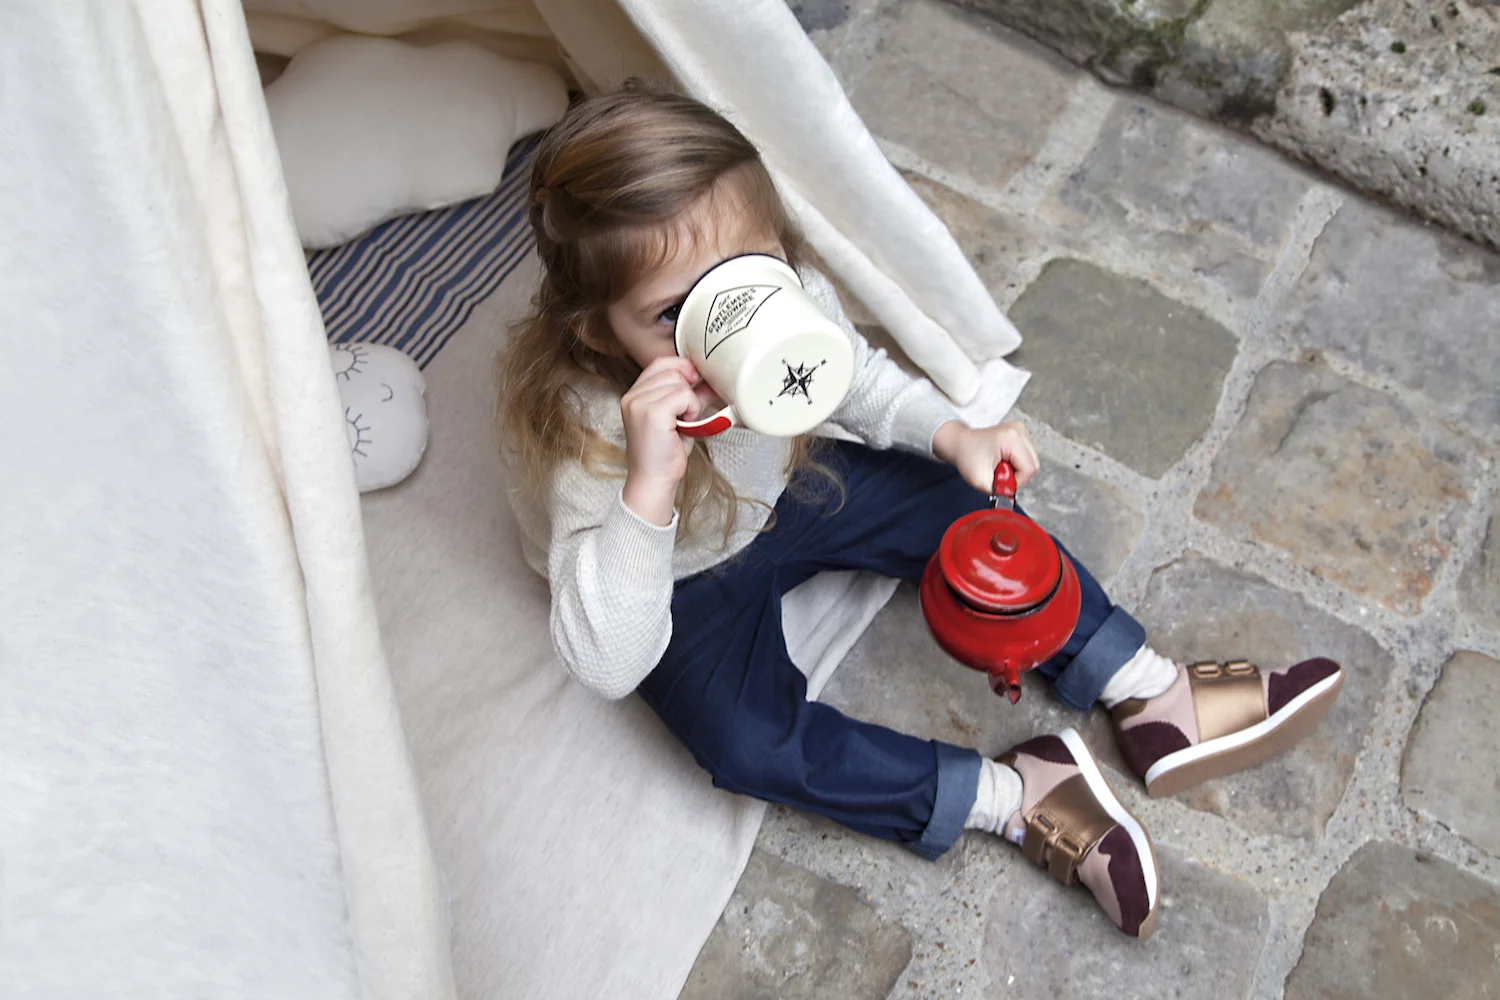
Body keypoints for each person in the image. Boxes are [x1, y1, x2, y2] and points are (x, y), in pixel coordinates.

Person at [496, 86, 1344, 940]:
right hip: (677, 577)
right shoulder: (586, 431)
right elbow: (606, 657)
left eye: (753, 272)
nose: (740, 324)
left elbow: (856, 380)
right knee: (744, 742)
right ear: (600, 333)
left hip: (785, 487)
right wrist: (647, 485)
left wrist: (951, 433)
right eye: (678, 315)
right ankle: (1014, 794)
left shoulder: (794, 301)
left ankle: (1148, 690)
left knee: (958, 506)